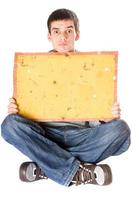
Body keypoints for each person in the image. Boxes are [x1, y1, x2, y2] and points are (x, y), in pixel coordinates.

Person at [1, 8, 131, 187]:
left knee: (121, 129)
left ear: (76, 35)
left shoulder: (93, 69)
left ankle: (48, 165)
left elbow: (102, 120)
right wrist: (16, 112)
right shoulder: (33, 69)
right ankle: (78, 171)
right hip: (46, 134)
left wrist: (106, 118)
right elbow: (22, 117)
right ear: (49, 36)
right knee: (10, 125)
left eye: (69, 31)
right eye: (57, 32)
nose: (63, 37)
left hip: (82, 135)